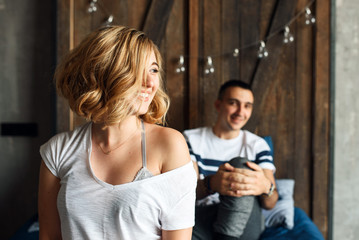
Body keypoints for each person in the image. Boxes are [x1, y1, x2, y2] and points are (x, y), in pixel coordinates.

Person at [38, 25, 197, 240]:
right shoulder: (58, 151)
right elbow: (49, 236)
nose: (151, 83)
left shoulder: (169, 145)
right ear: (106, 73)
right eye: (137, 71)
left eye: (154, 70)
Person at [183, 80, 279, 240]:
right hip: (203, 217)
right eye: (234, 103)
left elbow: (271, 203)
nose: (241, 112)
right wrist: (211, 183)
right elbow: (186, 194)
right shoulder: (190, 139)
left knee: (241, 164)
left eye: (247, 106)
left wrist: (265, 186)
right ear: (218, 105)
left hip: (244, 222)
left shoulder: (257, 145)